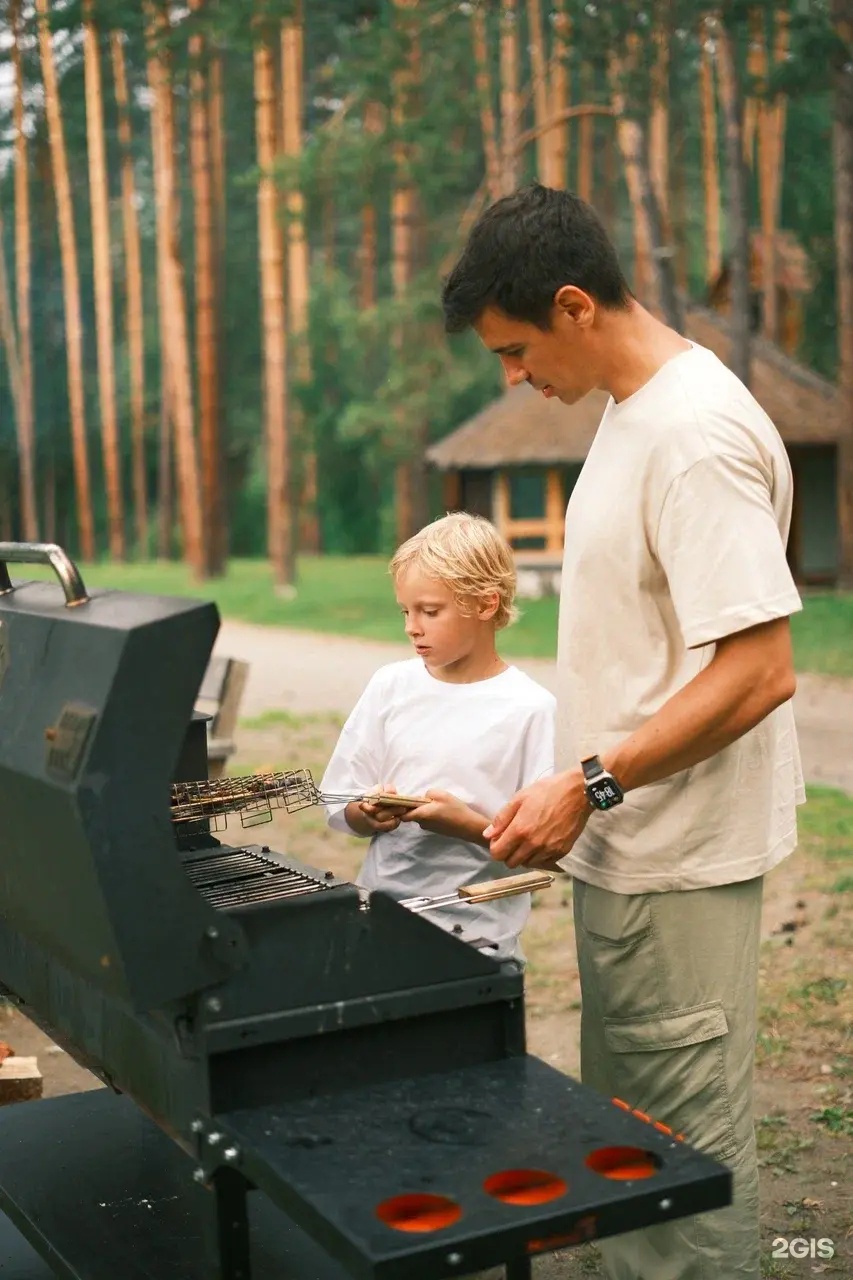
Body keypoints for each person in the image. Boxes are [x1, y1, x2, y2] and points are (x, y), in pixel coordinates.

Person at [442, 183, 804, 1280]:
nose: (512, 378)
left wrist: (589, 783)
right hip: (631, 848)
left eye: (515, 350)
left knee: (682, 1173)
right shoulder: (631, 411)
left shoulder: (694, 436)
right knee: (638, 1140)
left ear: (573, 305)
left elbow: (758, 671)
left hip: (676, 858)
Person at [320, 512, 555, 963]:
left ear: (485, 605)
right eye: (406, 611)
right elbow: (339, 801)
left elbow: (549, 852)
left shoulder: (531, 708)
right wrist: (367, 813)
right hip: (381, 924)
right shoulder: (390, 686)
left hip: (480, 943)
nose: (412, 626)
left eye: (430, 611)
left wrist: (466, 826)